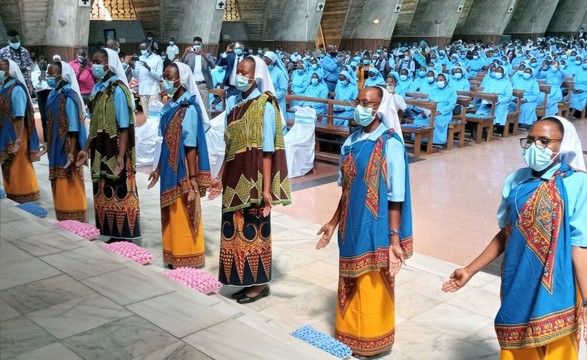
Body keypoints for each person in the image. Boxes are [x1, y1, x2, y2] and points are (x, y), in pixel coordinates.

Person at [442, 116, 587, 360]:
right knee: (516, 344)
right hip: (518, 276)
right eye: (530, 140)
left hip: (558, 283)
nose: (534, 147)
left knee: (556, 349)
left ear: (563, 145)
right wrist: (469, 270)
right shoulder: (516, 180)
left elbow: (579, 243)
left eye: (544, 141)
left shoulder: (577, 183)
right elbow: (506, 233)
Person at [316, 86, 412, 357]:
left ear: (380, 107)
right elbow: (347, 189)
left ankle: (373, 340)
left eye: (368, 103)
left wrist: (395, 239)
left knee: (372, 281)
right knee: (349, 279)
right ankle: (349, 336)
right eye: (359, 101)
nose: (362, 107)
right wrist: (333, 222)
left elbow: (396, 197)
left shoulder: (390, 143)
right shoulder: (352, 142)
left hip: (377, 227)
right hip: (350, 225)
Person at [208, 56, 291, 304]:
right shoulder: (234, 104)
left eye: (244, 72)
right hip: (234, 178)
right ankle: (243, 279)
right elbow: (229, 145)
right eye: (238, 71)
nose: (239, 76)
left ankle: (259, 284)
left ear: (256, 76)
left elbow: (267, 150)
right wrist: (220, 177)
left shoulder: (264, 104)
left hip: (254, 178)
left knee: (254, 230)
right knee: (235, 230)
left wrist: (267, 189)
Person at [147, 62, 211, 268]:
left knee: (183, 209)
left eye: (168, 77)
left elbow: (191, 145)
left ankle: (188, 256)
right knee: (171, 210)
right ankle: (173, 253)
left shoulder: (188, 108)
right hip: (168, 167)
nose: (164, 81)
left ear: (180, 80)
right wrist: (157, 168)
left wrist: (193, 178)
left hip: (183, 168)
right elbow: (165, 141)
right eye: (164, 76)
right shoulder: (169, 106)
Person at [76, 48, 141, 242]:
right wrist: (85, 149)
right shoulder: (98, 89)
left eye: (98, 61)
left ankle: (123, 236)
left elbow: (124, 126)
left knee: (118, 187)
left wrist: (121, 155)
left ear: (109, 63)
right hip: (99, 149)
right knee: (103, 190)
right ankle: (108, 231)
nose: (94, 65)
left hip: (115, 149)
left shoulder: (118, 90)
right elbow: (94, 125)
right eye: (93, 62)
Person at [45, 61, 88, 221]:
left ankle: (75, 216)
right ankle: (62, 214)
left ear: (62, 75)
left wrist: (71, 151)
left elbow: (73, 127)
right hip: (55, 143)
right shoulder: (53, 94)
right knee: (58, 178)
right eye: (48, 73)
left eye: (52, 73)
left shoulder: (69, 96)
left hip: (67, 145)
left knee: (68, 177)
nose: (49, 77)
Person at [0, 59, 41, 203]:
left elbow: (19, 116)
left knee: (19, 165)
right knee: (9, 167)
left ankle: (27, 194)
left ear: (10, 70)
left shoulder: (16, 89)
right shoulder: (5, 86)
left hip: (18, 135)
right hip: (7, 135)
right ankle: (13, 193)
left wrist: (18, 139)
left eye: (1, 67)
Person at [412, 73, 457, 145]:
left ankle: (434, 141)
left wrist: (439, 112)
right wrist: (424, 110)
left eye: (441, 80)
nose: (439, 82)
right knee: (418, 119)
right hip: (431, 111)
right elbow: (428, 101)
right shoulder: (434, 90)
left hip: (443, 113)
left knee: (436, 120)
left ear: (446, 81)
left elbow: (451, 105)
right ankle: (421, 139)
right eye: (438, 80)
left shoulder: (451, 91)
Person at [181, 36, 216, 116]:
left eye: (198, 44)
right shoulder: (189, 55)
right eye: (195, 44)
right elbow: (181, 64)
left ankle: (207, 126)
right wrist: (185, 53)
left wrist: (203, 55)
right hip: (191, 85)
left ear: (201, 45)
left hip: (203, 85)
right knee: (190, 108)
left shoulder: (207, 55)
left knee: (205, 109)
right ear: (192, 45)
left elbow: (213, 66)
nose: (196, 46)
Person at [131, 41, 163, 114]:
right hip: (143, 91)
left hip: (153, 91)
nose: (142, 51)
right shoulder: (140, 58)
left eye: (144, 49)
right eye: (141, 49)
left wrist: (149, 68)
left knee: (154, 115)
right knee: (146, 116)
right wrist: (133, 67)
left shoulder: (157, 59)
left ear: (149, 48)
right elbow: (136, 76)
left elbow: (159, 77)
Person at [31, 56, 53, 141]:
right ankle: (46, 137)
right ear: (37, 63)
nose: (42, 64)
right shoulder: (34, 73)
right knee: (43, 116)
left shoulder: (51, 70)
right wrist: (40, 78)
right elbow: (36, 86)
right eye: (40, 63)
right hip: (41, 94)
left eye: (44, 63)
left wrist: (47, 76)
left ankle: (53, 135)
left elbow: (53, 84)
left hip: (50, 92)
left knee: (51, 115)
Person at [263, 51, 288, 115]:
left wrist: (272, 97)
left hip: (277, 101)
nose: (263, 59)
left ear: (271, 60)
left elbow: (283, 90)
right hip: (265, 100)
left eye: (266, 57)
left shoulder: (279, 73)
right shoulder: (264, 71)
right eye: (264, 57)